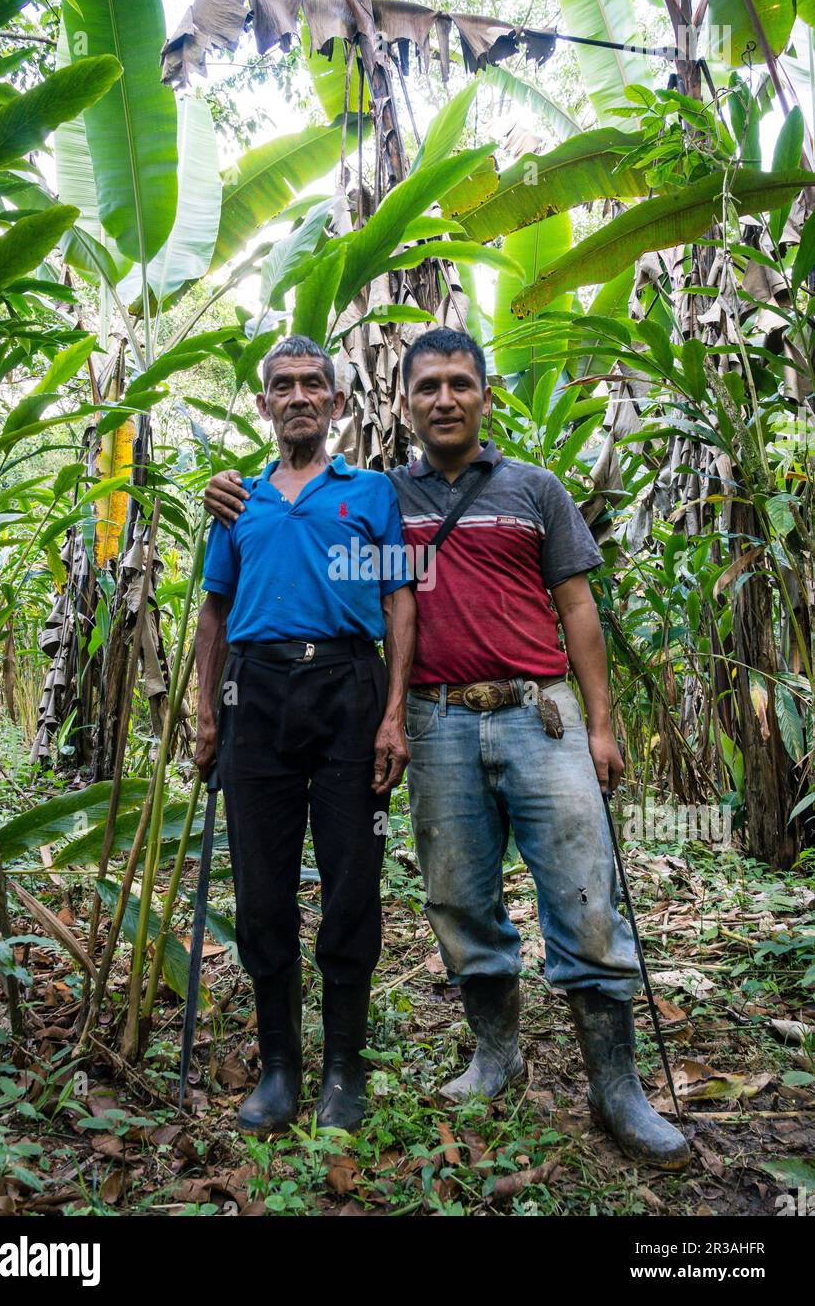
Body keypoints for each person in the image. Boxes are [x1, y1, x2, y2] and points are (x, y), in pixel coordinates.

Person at [204, 328, 689, 1169]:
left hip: (539, 714)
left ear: (485, 394)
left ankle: (618, 1089)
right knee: (460, 898)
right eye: (426, 387)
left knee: (584, 897)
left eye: (460, 384)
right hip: (437, 721)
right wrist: (226, 492)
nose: (444, 400)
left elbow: (576, 607)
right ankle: (495, 1056)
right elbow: (290, 566)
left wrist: (603, 724)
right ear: (402, 403)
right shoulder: (381, 495)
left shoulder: (531, 489)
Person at [195, 334, 416, 1135]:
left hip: (349, 691)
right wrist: (204, 711)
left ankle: (344, 1071)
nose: (297, 396)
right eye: (282, 385)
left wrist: (393, 712)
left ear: (337, 403)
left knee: (353, 879)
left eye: (312, 385)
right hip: (256, 695)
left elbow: (399, 601)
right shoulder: (239, 501)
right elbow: (214, 609)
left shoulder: (371, 494)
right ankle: (280, 1068)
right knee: (261, 884)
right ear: (264, 404)